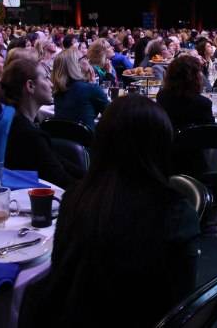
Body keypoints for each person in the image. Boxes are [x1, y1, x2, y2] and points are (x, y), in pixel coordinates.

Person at [18, 95, 200, 327]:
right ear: (161, 147)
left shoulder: (76, 198)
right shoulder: (174, 213)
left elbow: (61, 276)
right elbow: (180, 306)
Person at [0, 58, 82, 189]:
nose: (51, 84)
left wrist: (93, 176)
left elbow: (58, 161)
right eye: (46, 78)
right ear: (30, 86)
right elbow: (62, 181)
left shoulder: (11, 121)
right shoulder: (28, 134)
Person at [52, 49, 109, 131]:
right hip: (88, 141)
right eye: (85, 57)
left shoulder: (57, 91)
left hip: (62, 140)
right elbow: (113, 116)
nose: (88, 60)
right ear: (76, 64)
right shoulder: (90, 89)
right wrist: (93, 87)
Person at [156, 55, 214, 132]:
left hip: (168, 141)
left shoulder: (162, 96)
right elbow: (211, 133)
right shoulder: (203, 103)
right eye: (199, 72)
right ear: (195, 78)